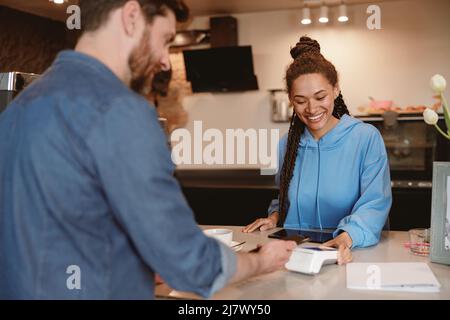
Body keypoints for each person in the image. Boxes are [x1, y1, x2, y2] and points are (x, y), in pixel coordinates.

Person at [0, 0, 296, 299]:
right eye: (165, 39)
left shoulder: (18, 108)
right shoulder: (120, 109)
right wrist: (261, 259)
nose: (166, 60)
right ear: (131, 17)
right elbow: (188, 262)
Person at [243, 36, 392, 265]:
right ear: (291, 100)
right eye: (300, 100)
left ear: (335, 89)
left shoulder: (365, 138)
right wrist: (275, 216)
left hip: (348, 256)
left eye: (320, 97)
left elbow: (375, 203)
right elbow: (285, 197)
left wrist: (347, 236)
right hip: (296, 259)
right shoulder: (287, 145)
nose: (312, 109)